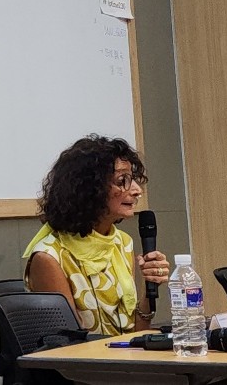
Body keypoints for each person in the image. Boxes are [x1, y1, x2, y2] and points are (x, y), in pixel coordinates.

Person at [23, 135, 169, 335]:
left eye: (134, 179)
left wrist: (149, 289)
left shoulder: (122, 243)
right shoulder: (49, 257)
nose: (137, 190)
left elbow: (136, 334)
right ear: (90, 189)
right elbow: (68, 344)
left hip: (126, 353)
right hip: (87, 356)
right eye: (123, 180)